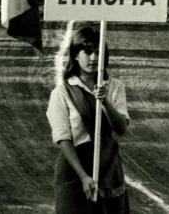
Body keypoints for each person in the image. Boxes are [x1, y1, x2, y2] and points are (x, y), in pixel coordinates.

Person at [46, 26, 130, 213]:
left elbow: (121, 128)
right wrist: (84, 177)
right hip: (75, 169)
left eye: (98, 53)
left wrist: (105, 102)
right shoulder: (62, 93)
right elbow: (63, 139)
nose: (93, 58)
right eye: (88, 52)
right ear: (76, 55)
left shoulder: (115, 87)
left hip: (108, 166)